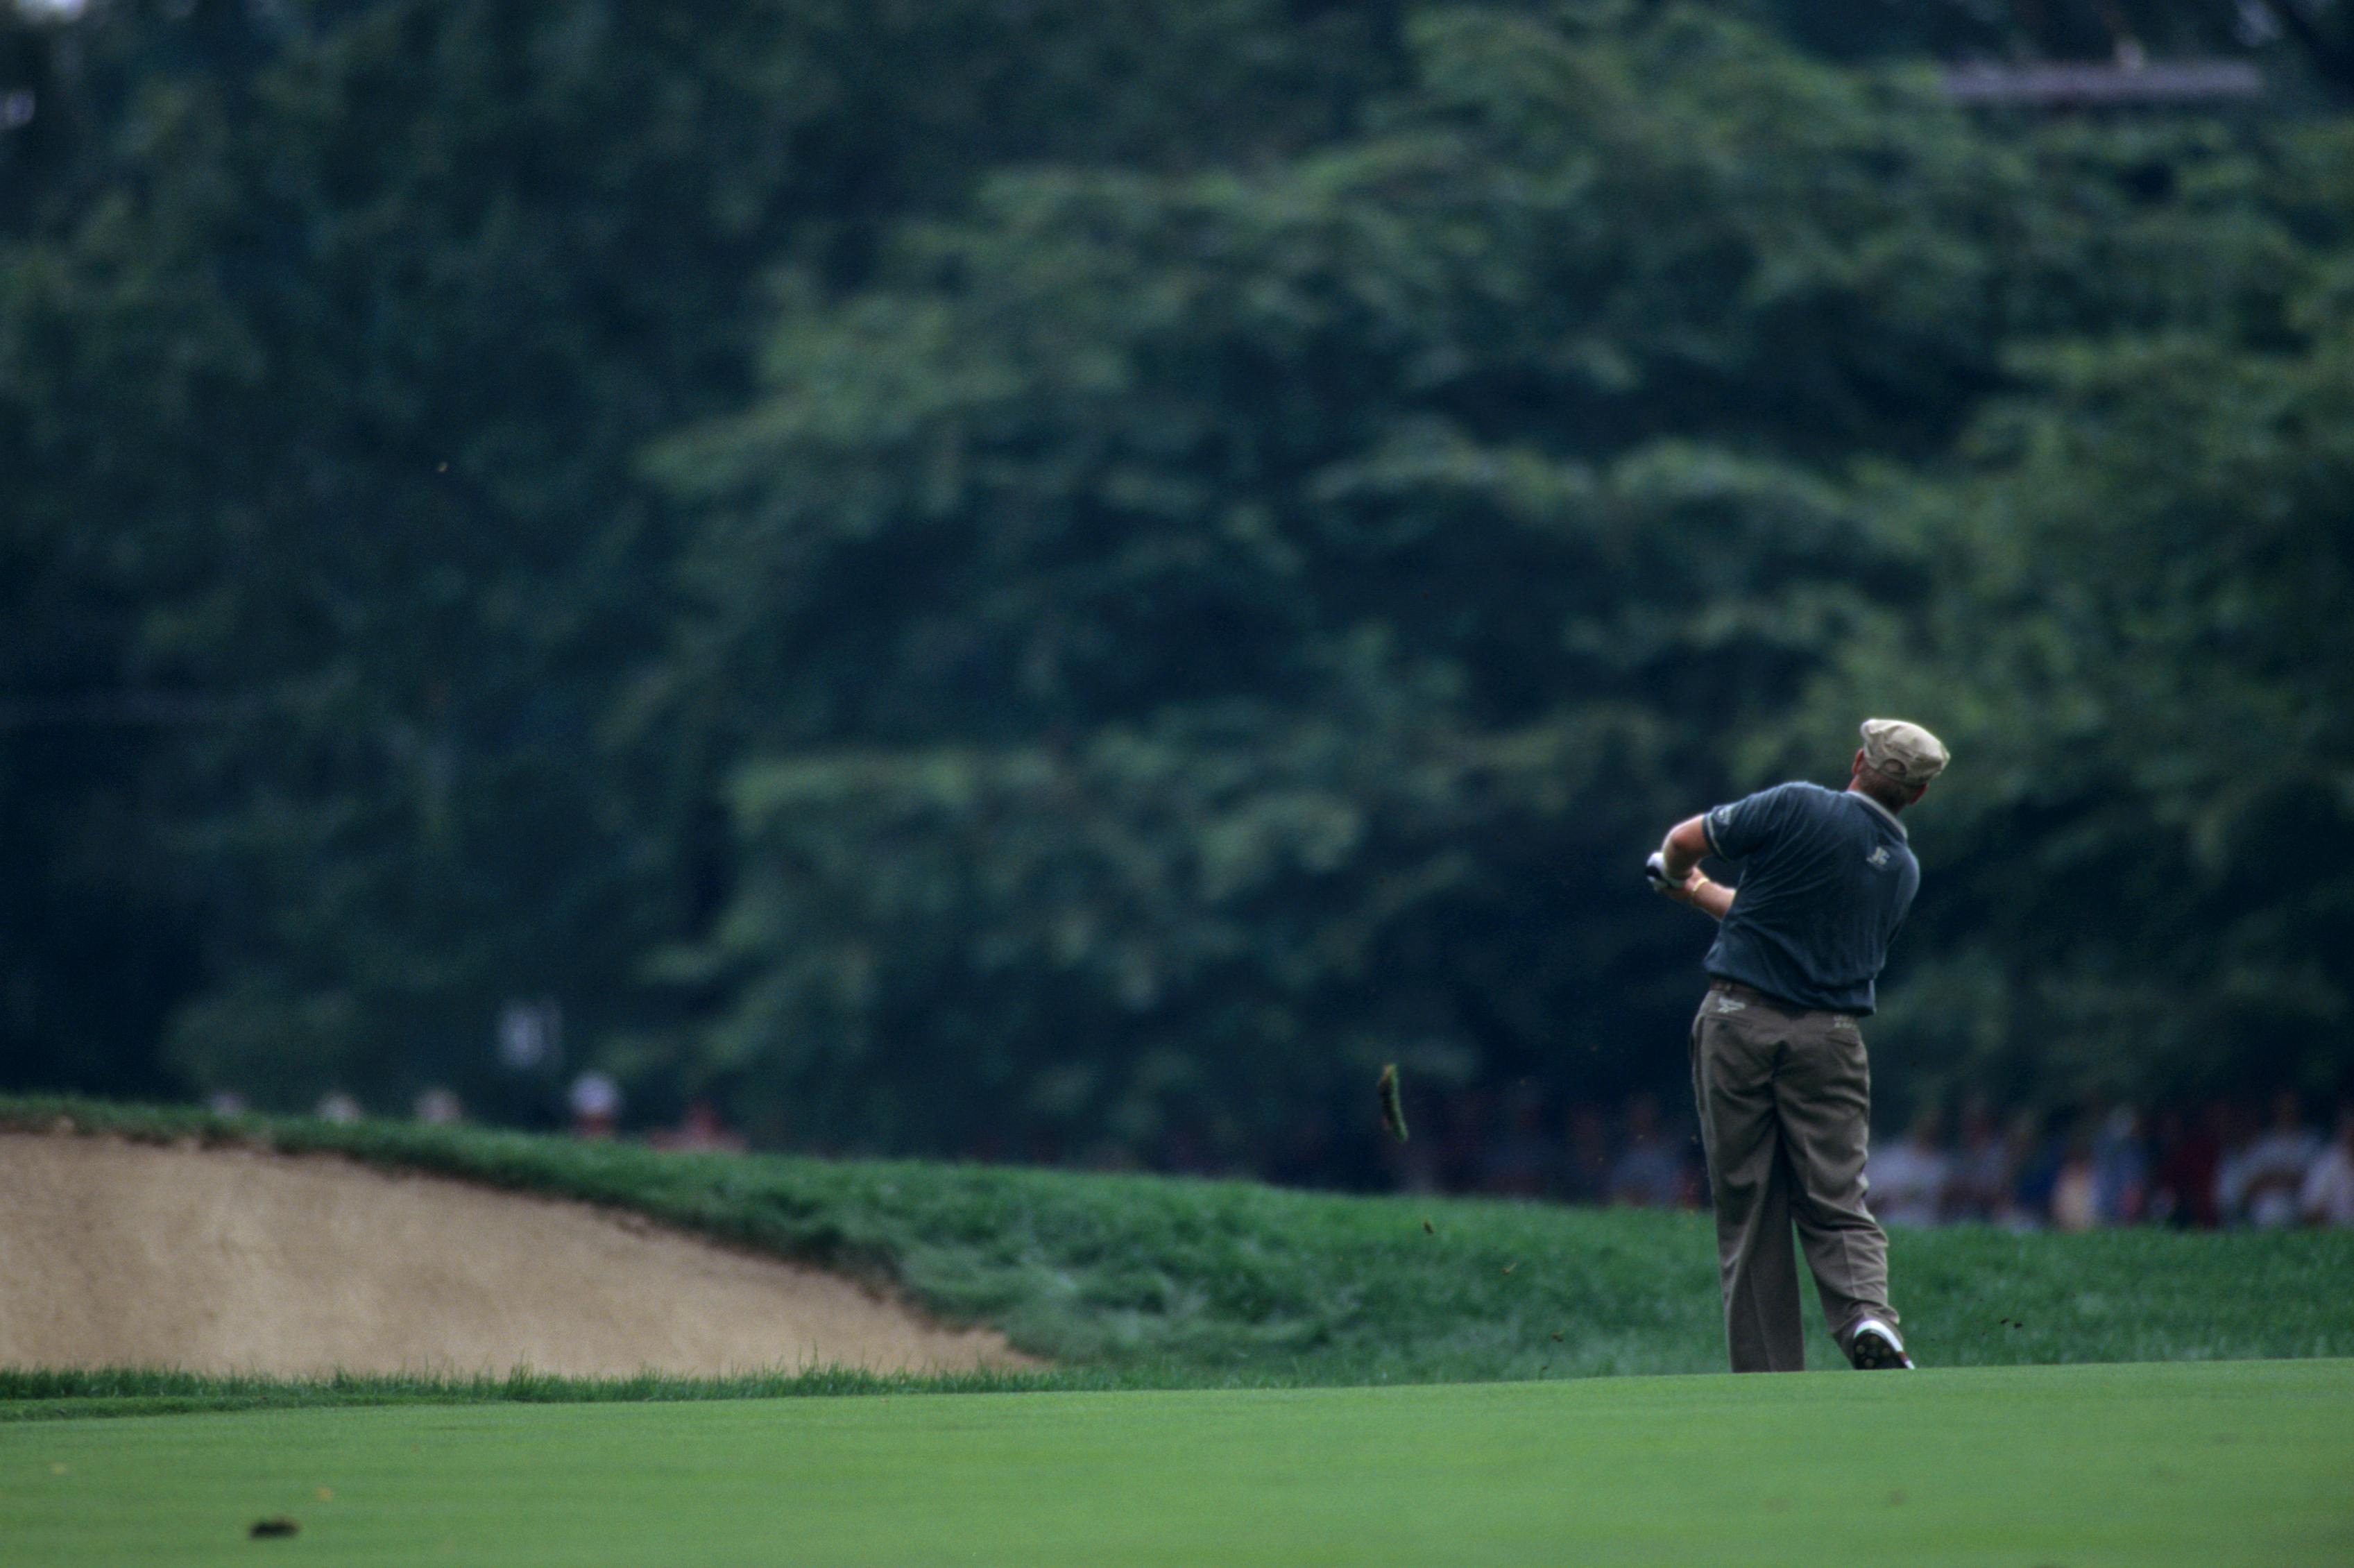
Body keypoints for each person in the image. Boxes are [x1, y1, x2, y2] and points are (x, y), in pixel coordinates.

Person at [1647, 717, 1948, 1372]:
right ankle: (1867, 1314)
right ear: (1917, 795)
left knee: (1750, 1202)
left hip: (1739, 1020)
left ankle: (1769, 1373)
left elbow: (1682, 840)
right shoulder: (1901, 870)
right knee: (1836, 1192)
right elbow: (1782, 923)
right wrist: (1698, 895)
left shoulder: (1796, 804)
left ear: (1856, 761)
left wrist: (1675, 874)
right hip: (1831, 1040)